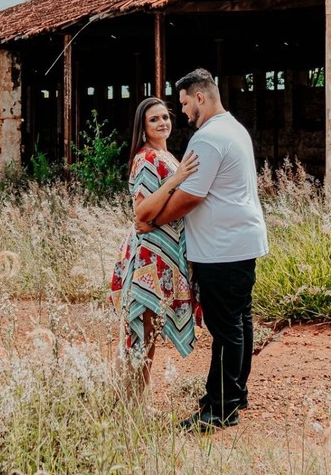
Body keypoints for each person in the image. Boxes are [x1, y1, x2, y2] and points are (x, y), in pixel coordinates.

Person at [134, 68, 268, 431]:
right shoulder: (233, 128)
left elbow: (192, 195)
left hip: (222, 248)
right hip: (239, 242)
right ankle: (234, 394)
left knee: (226, 328)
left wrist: (154, 220)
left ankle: (220, 409)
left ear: (200, 98)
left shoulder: (207, 139)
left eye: (183, 104)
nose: (183, 113)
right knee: (239, 321)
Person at [108, 97, 200, 397]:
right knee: (142, 334)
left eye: (165, 117)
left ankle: (133, 401)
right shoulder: (147, 158)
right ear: (143, 127)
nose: (163, 123)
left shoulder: (166, 155)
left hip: (162, 254)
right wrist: (178, 178)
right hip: (149, 257)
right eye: (154, 120)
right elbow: (142, 212)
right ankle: (132, 404)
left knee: (148, 334)